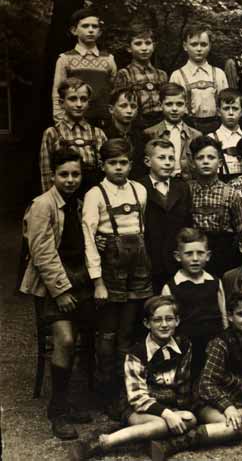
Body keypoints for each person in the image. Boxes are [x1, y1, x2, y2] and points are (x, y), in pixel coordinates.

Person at [20, 148, 93, 440]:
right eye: (64, 174)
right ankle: (58, 409)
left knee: (96, 332)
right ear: (53, 175)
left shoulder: (79, 202)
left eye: (76, 174)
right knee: (64, 339)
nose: (71, 179)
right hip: (53, 283)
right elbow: (42, 253)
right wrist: (61, 291)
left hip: (81, 278)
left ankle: (79, 398)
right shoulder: (42, 205)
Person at [69, 297, 196, 460]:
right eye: (157, 320)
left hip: (168, 403)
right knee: (161, 423)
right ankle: (105, 442)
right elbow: (138, 398)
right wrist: (167, 414)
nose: (164, 325)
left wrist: (178, 409)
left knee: (190, 418)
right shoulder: (137, 353)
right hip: (138, 406)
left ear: (177, 321)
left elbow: (183, 382)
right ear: (146, 323)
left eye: (169, 319)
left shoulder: (184, 345)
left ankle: (148, 439)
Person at [150, 292, 242, 460]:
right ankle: (177, 443)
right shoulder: (220, 343)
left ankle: (199, 433)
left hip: (238, 401)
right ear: (230, 316)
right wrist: (227, 407)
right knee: (231, 426)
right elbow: (206, 384)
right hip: (208, 402)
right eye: (241, 314)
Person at [82, 138, 152, 418]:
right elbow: (89, 238)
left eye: (123, 163)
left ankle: (125, 391)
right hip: (110, 269)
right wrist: (97, 280)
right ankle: (104, 391)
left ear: (131, 164)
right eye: (113, 163)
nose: (118, 168)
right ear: (103, 165)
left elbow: (140, 227)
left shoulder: (139, 190)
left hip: (137, 266)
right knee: (108, 334)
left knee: (127, 331)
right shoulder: (95, 194)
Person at [161, 228, 228, 382]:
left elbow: (224, 316)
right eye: (189, 254)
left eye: (200, 253)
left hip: (213, 344)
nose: (195, 259)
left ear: (208, 256)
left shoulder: (215, 282)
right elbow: (167, 320)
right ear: (178, 257)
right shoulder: (171, 287)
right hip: (185, 345)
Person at [139, 138, 193, 293]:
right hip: (150, 260)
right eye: (161, 158)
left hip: (175, 260)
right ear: (148, 161)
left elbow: (187, 223)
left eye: (171, 158)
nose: (168, 163)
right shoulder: (139, 187)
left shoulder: (182, 187)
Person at [187, 136, 242, 277]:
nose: (206, 161)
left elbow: (239, 228)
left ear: (219, 163)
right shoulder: (186, 191)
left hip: (223, 255)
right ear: (193, 163)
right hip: (194, 254)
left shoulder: (230, 193)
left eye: (211, 157)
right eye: (200, 158)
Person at [40, 78, 107, 193]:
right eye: (72, 99)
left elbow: (107, 169)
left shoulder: (98, 133)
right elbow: (46, 173)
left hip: (93, 194)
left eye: (83, 99)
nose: (79, 104)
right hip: (64, 196)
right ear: (61, 103)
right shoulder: (52, 133)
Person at [52, 7, 116, 127]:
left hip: (103, 122)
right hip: (74, 122)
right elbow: (57, 92)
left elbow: (114, 92)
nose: (91, 30)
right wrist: (59, 120)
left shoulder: (109, 59)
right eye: (85, 26)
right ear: (74, 30)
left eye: (94, 26)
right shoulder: (65, 59)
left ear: (100, 32)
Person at [169, 24, 229, 134]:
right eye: (194, 44)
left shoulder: (219, 74)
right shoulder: (177, 75)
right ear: (185, 46)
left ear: (210, 46)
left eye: (203, 44)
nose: (199, 49)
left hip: (216, 126)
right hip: (188, 126)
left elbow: (226, 105)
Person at [143, 82, 203, 180]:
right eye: (169, 104)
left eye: (179, 104)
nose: (174, 109)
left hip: (188, 183)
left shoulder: (195, 135)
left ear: (185, 106)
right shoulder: (150, 133)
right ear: (160, 105)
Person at [113, 23, 168, 127]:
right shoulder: (124, 74)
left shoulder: (162, 75)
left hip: (161, 123)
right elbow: (121, 105)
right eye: (138, 44)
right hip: (137, 124)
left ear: (154, 46)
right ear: (129, 48)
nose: (144, 48)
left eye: (148, 43)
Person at [104, 87, 145, 180]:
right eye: (123, 106)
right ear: (111, 109)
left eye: (133, 106)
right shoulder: (103, 135)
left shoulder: (142, 136)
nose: (129, 111)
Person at [209, 89, 242, 181]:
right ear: (218, 112)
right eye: (226, 108)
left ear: (241, 112)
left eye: (235, 108)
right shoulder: (211, 138)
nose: (230, 113)